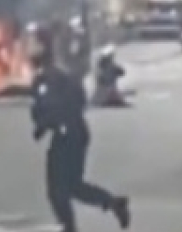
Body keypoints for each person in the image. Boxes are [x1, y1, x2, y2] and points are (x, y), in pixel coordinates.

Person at [30, 37, 131, 232]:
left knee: (58, 190)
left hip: (68, 135)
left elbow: (50, 106)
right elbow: (75, 101)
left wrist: (45, 124)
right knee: (72, 186)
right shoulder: (60, 76)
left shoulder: (48, 79)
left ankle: (71, 227)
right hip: (74, 132)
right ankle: (113, 203)